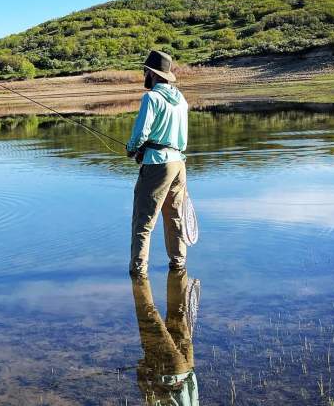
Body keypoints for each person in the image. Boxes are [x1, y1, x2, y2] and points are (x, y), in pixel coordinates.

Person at [126, 50, 188, 277]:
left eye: (145, 71)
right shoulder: (181, 99)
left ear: (150, 73)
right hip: (178, 163)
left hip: (157, 165)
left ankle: (139, 270)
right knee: (174, 217)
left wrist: (132, 149)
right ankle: (178, 263)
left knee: (143, 221)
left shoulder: (151, 98)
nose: (144, 75)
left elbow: (141, 133)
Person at [131, 270, 199, 405]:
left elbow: (193, 391)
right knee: (147, 313)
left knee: (177, 311)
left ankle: (178, 263)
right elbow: (150, 394)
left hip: (188, 368)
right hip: (169, 372)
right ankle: (138, 268)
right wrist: (142, 372)